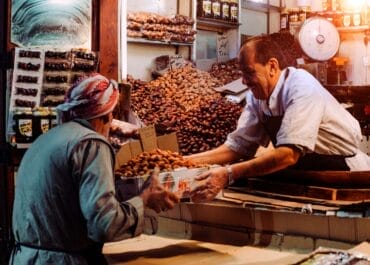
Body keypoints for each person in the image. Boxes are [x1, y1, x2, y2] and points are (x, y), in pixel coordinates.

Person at [9, 73, 179, 265]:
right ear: (107, 115)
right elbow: (105, 224)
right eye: (112, 114)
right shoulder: (91, 144)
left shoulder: (45, 139)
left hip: (25, 258)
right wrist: (145, 199)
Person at [188, 34, 370, 202]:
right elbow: (239, 147)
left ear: (272, 66)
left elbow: (287, 155)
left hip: (342, 173)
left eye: (249, 72)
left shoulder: (301, 88)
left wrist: (228, 173)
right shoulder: (257, 97)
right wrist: (185, 161)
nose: (244, 81)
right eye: (242, 74)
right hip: (304, 173)